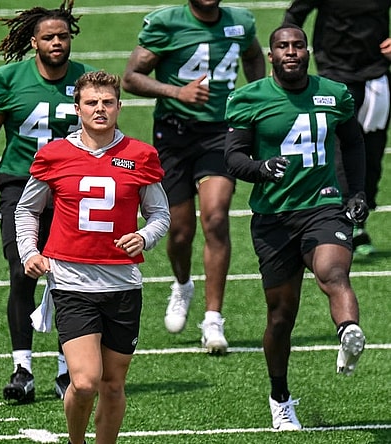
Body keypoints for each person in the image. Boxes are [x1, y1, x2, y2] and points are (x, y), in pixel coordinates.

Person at [224, 25, 367, 431]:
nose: (291, 52)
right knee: (281, 317)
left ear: (308, 52)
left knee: (333, 272)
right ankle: (280, 398)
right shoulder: (250, 98)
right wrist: (261, 168)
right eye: (283, 46)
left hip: (324, 206)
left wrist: (357, 192)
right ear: (270, 56)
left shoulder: (334, 94)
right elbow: (233, 157)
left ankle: (349, 332)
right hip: (274, 217)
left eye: (298, 45)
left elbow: (353, 142)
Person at [16, 70, 170, 444]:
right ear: (77, 108)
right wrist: (29, 251)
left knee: (113, 386)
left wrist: (144, 237)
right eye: (91, 102)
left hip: (122, 284)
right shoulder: (53, 155)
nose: (100, 109)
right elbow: (27, 209)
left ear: (119, 106)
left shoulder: (140, 155)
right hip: (72, 282)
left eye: (107, 102)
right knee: (85, 382)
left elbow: (160, 214)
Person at [0, 0, 98, 403]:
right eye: (49, 37)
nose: (57, 42)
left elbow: (105, 137)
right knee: (23, 271)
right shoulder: (9, 79)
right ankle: (22, 369)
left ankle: (66, 370)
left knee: (72, 278)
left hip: (73, 189)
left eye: (63, 36)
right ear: (34, 42)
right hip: (21, 186)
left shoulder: (87, 81)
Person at [120, 0, 266, 354]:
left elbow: (253, 56)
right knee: (180, 231)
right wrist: (177, 91)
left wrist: (258, 97)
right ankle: (183, 284)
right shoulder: (167, 22)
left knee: (215, 218)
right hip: (175, 134)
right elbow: (130, 78)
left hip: (221, 132)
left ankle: (213, 319)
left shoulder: (240, 21)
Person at [283, 0, 391, 256]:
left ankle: (359, 220)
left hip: (376, 74)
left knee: (372, 154)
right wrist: (290, 56)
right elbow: (294, 15)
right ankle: (341, 222)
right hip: (334, 73)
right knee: (338, 150)